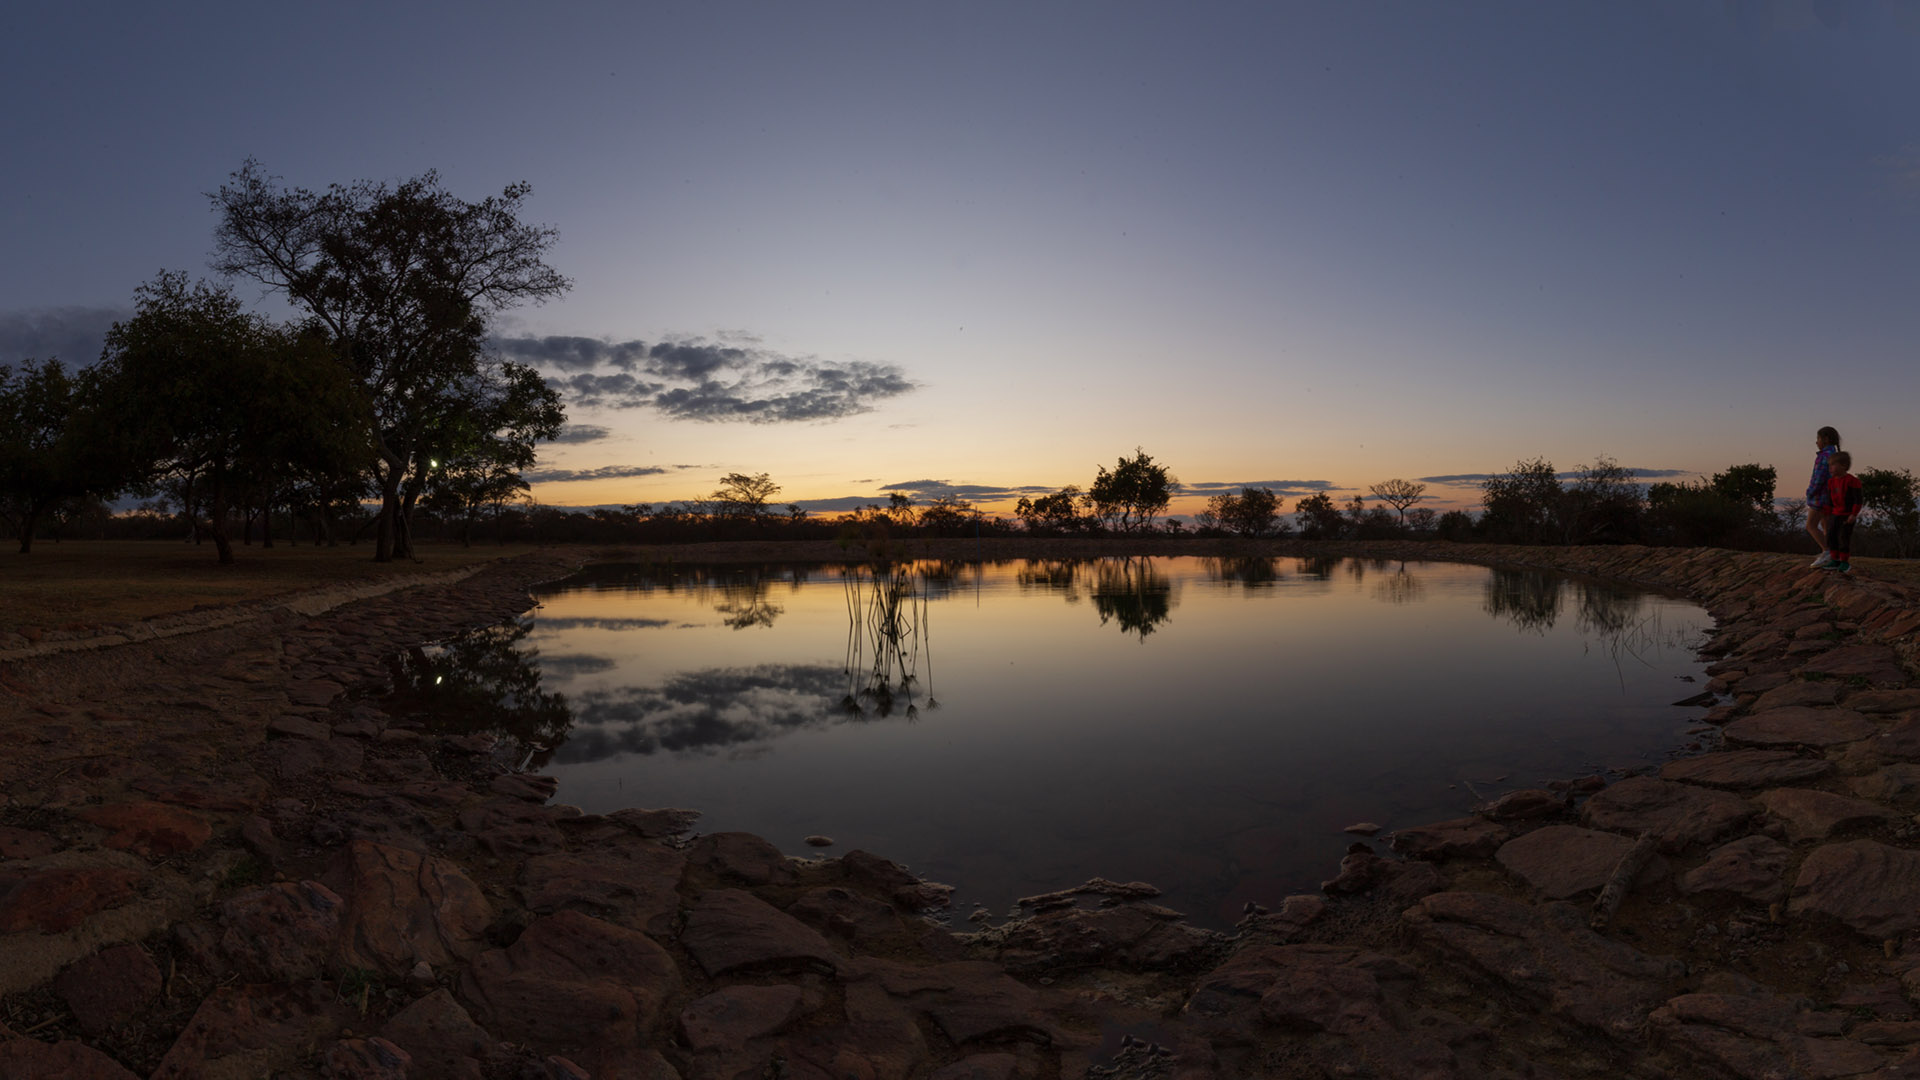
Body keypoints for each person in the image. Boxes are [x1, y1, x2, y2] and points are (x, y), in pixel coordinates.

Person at [1822, 450, 1864, 574]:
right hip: (1835, 514)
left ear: (1843, 466)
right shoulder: (1831, 482)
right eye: (1829, 465)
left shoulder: (1852, 481)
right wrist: (1827, 513)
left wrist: (1853, 514)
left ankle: (1844, 562)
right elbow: (1830, 499)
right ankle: (1835, 560)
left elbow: (1858, 500)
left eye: (1833, 465)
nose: (1830, 468)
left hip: (1847, 515)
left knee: (1843, 538)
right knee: (1831, 536)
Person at [1807, 426, 1842, 568]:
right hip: (1831, 496)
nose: (1816, 442)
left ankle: (1827, 551)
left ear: (1825, 439)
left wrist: (1810, 491)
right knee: (1826, 525)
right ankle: (1832, 555)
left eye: (1818, 439)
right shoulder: (1835, 455)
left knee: (1810, 525)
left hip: (1820, 497)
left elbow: (1819, 477)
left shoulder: (1824, 456)